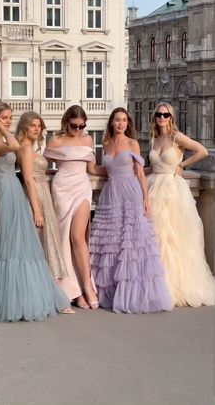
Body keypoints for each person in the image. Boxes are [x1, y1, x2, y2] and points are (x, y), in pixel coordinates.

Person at [0, 102, 72, 323]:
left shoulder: (1, 139)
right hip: (0, 193)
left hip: (13, 193)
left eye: (10, 118)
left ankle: (17, 295)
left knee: (16, 245)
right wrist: (1, 130)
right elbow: (14, 146)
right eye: (3, 118)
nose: (8, 121)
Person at [89, 107, 172, 314]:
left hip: (131, 193)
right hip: (111, 193)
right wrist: (85, 163)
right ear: (111, 122)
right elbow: (101, 170)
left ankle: (133, 294)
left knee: (133, 244)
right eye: (117, 120)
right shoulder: (106, 144)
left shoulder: (133, 143)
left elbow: (140, 173)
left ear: (128, 123)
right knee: (111, 243)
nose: (120, 123)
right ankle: (112, 290)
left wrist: (145, 198)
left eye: (124, 120)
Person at [146, 101, 215, 307]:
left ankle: (175, 286)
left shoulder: (177, 137)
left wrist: (182, 165)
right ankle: (158, 285)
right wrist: (137, 173)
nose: (162, 118)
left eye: (166, 115)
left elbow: (201, 150)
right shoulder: (153, 139)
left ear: (171, 117)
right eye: (159, 114)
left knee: (174, 238)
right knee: (156, 238)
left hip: (173, 190)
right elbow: (152, 167)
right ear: (155, 116)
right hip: (153, 188)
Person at [44, 105, 105, 309]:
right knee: (63, 239)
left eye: (82, 126)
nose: (78, 130)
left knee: (78, 237)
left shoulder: (88, 140)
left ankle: (87, 286)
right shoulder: (55, 140)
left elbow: (92, 168)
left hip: (82, 187)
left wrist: (121, 170)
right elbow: (42, 165)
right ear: (66, 121)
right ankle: (73, 292)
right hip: (62, 188)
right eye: (74, 126)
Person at [15, 111, 70, 285]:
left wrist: (50, 172)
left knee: (44, 239)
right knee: (39, 239)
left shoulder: (29, 147)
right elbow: (28, 180)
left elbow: (35, 171)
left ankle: (45, 286)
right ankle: (41, 286)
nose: (37, 129)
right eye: (33, 125)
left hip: (42, 191)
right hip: (35, 196)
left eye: (39, 126)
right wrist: (37, 211)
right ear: (24, 126)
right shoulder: (24, 148)